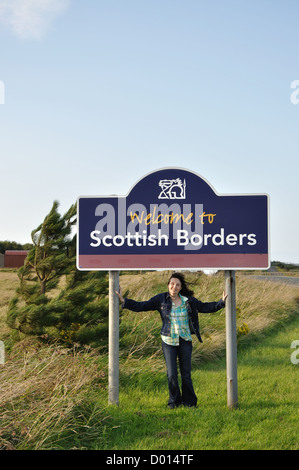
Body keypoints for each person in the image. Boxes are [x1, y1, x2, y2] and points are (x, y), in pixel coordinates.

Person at [115, 272, 227, 409]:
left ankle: (189, 403)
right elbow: (142, 306)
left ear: (180, 287)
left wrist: (221, 303)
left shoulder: (189, 301)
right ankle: (174, 402)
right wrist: (124, 301)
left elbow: (204, 307)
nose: (174, 287)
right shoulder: (161, 299)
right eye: (172, 284)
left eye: (177, 285)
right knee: (172, 374)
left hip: (185, 340)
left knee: (186, 374)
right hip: (168, 341)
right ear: (168, 285)